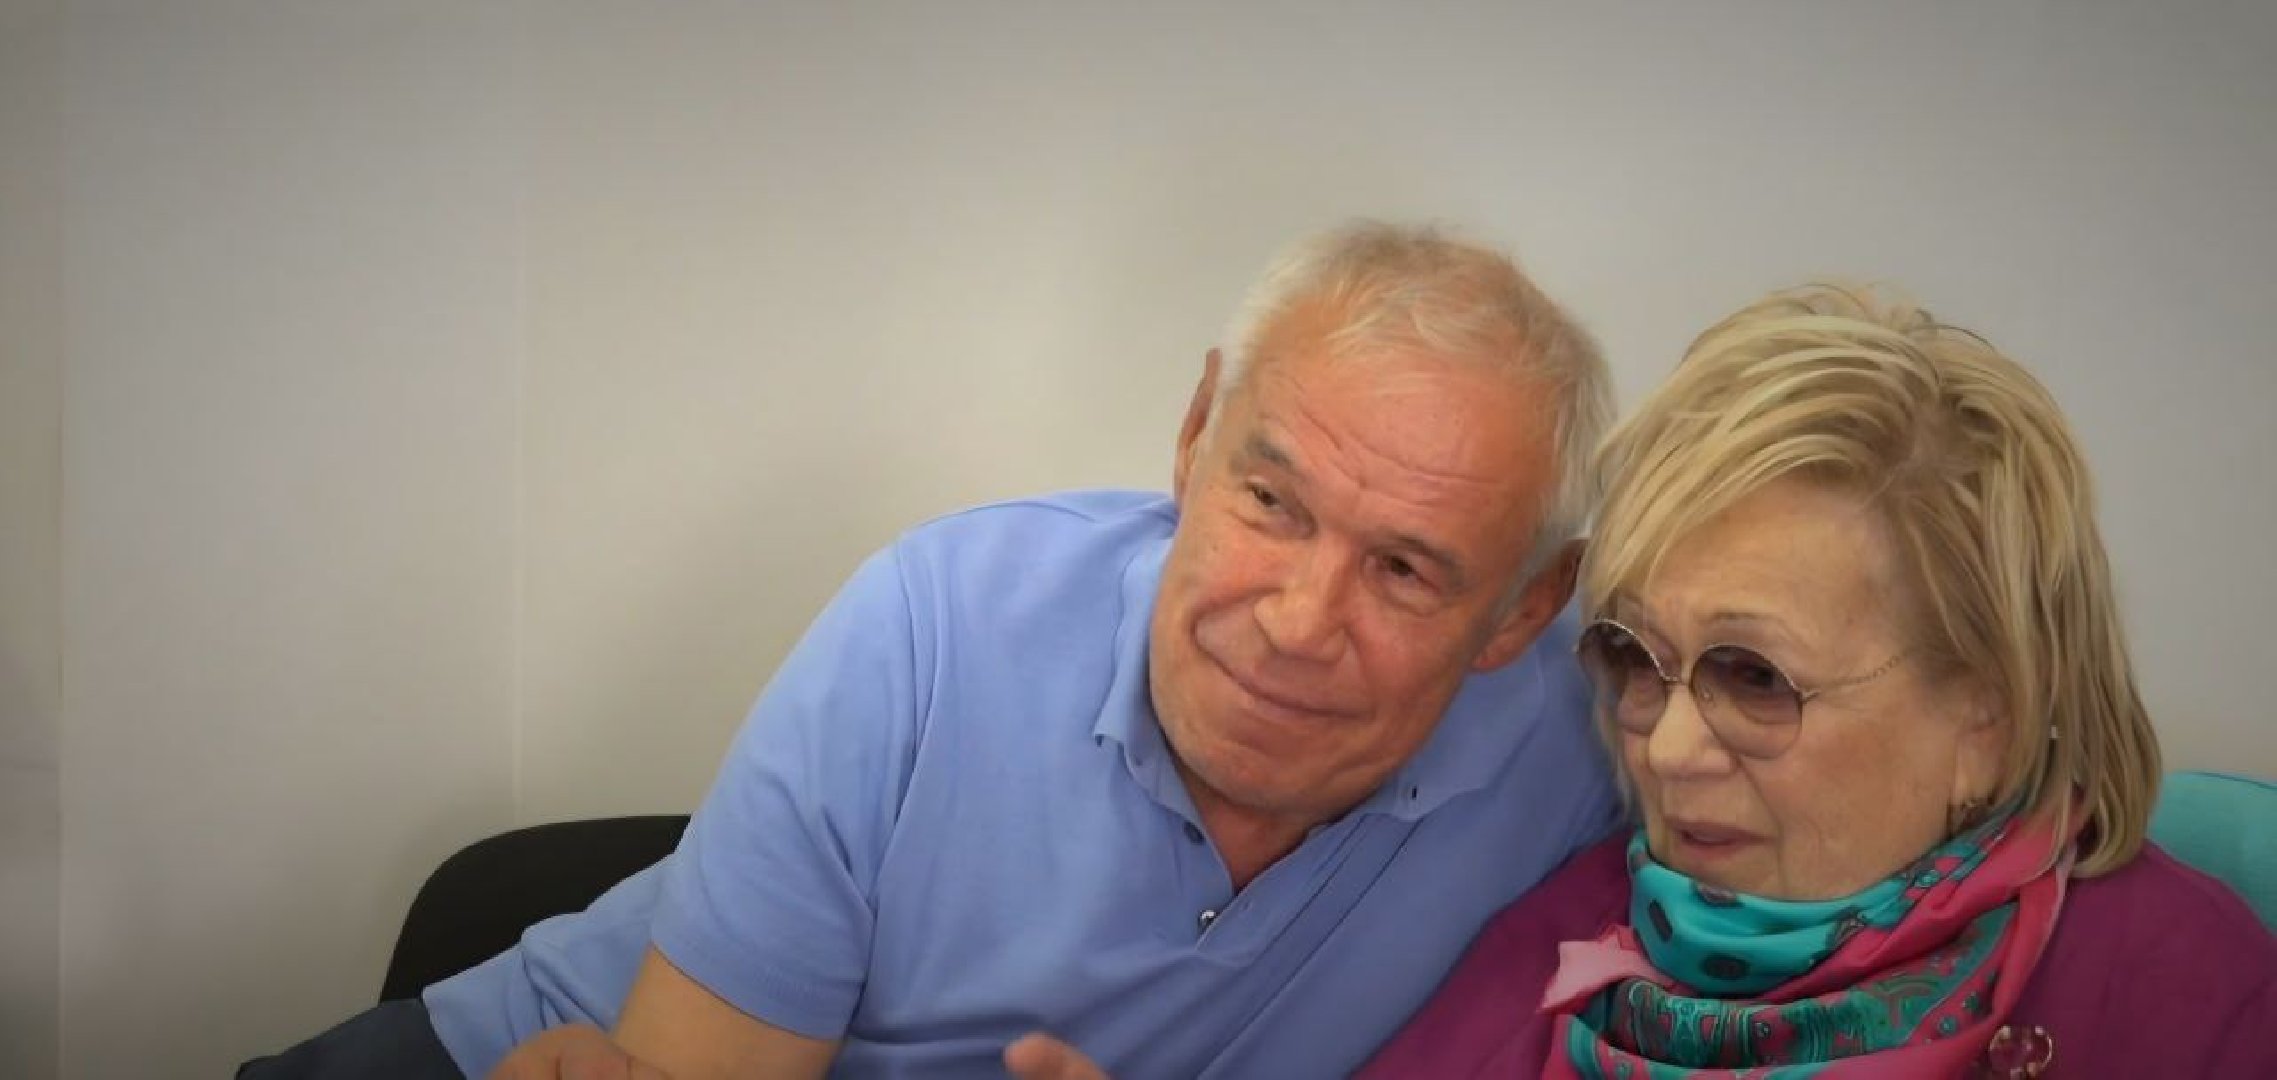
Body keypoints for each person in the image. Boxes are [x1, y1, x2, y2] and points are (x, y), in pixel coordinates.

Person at [239, 221, 1627, 1079]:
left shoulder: (1595, 745)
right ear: (1195, 435)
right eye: (1271, 502)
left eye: (1403, 571)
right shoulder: (939, 621)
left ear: (1521, 609)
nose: (1297, 621)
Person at [1357, 284, 2277, 1077]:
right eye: (1636, 658)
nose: (1667, 752)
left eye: (1754, 677)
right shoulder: (1552, 943)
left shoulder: (2185, 997)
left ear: (1985, 720)